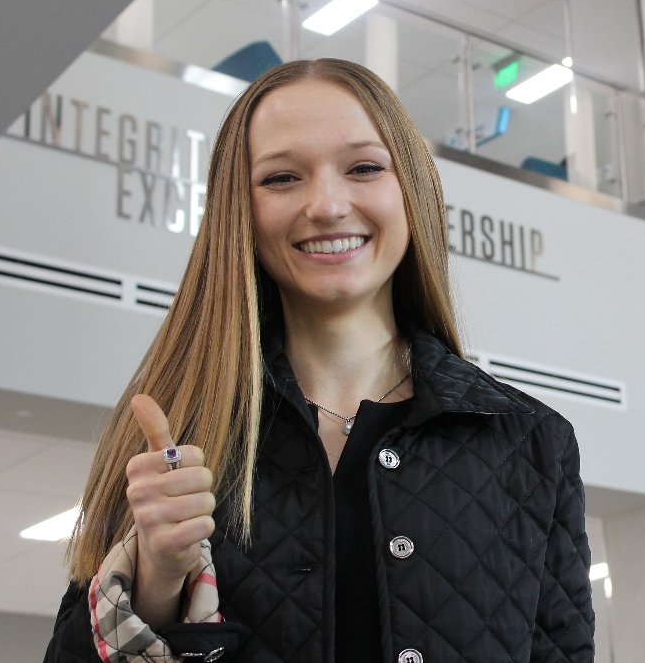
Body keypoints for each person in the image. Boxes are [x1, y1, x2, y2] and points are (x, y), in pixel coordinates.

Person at [44, 58, 594, 662]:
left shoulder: (528, 442)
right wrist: (156, 580)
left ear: (411, 188)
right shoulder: (175, 443)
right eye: (282, 179)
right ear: (240, 212)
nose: (328, 205)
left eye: (363, 168)